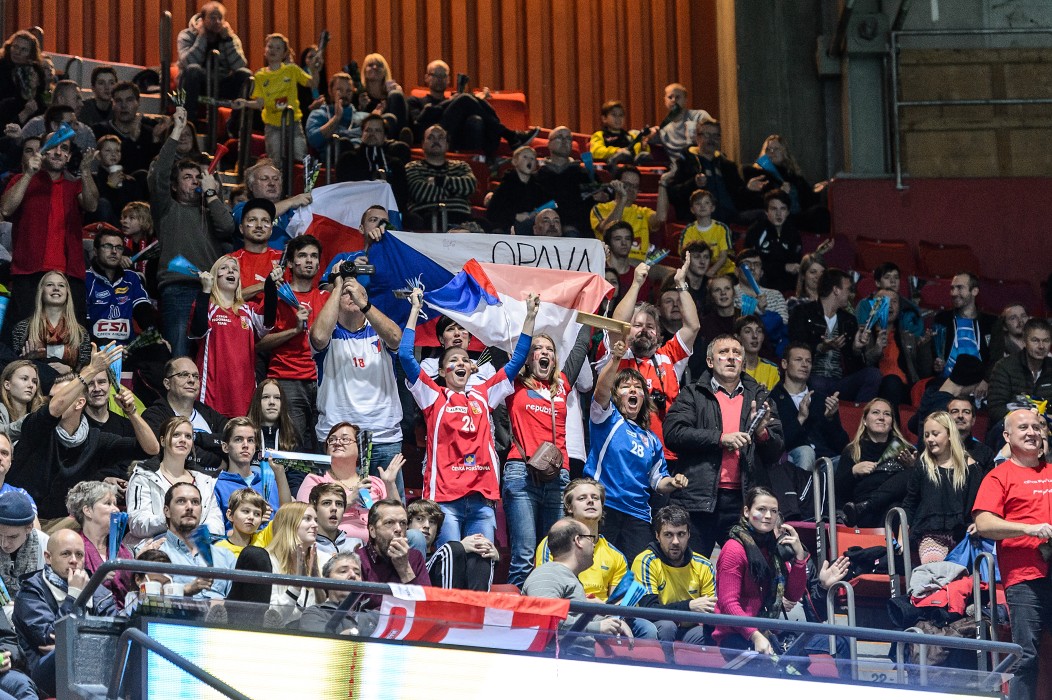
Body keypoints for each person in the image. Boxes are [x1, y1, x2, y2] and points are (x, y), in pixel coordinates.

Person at [400, 288, 538, 548]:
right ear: (441, 370)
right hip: (445, 498)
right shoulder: (433, 396)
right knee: (451, 560)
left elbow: (518, 359)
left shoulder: (484, 394)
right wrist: (414, 311)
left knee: (481, 564)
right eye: (453, 360)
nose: (461, 362)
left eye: (465, 359)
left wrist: (530, 317)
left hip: (481, 498)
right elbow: (406, 356)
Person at [664, 335, 783, 558]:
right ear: (710, 361)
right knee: (690, 568)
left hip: (743, 501)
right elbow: (673, 434)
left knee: (747, 567)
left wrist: (762, 433)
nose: (731, 358)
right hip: (697, 499)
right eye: (723, 352)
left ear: (743, 362)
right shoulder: (692, 393)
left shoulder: (760, 395)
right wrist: (720, 439)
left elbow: (776, 451)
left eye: (736, 353)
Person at [9, 346, 158, 522]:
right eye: (51, 397)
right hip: (22, 519)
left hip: (66, 525)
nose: (53, 402)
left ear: (80, 403)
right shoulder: (37, 426)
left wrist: (132, 412)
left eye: (60, 397)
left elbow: (151, 449)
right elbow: (55, 408)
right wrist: (92, 369)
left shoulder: (97, 440)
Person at [501, 328, 591, 588]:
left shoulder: (562, 383)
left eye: (549, 350)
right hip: (521, 473)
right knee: (524, 555)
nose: (544, 353)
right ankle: (518, 622)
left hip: (558, 475)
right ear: (527, 359)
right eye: (537, 349)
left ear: (554, 359)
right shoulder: (514, 383)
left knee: (557, 555)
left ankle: (550, 615)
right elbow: (515, 351)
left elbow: (580, 345)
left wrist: (589, 306)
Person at [973, 409, 1052, 700]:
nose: (1032, 432)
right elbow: (984, 524)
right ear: (1007, 436)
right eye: (1023, 428)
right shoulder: (998, 476)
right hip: (1025, 578)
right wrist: (1028, 529)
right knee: (1026, 656)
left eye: (1036, 426)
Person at [586, 339, 688, 562]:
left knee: (636, 576)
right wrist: (615, 359)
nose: (633, 389)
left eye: (638, 387)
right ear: (616, 394)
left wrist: (674, 482)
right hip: (606, 508)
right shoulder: (606, 417)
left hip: (639, 515)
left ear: (644, 397)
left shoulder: (652, 440)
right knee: (599, 568)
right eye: (626, 386)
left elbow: (657, 481)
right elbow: (601, 390)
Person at [150, 106, 234, 358]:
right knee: (180, 357)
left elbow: (228, 228)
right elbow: (159, 175)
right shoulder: (166, 208)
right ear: (174, 186)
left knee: (212, 357)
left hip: (213, 291)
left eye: (199, 176)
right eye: (188, 177)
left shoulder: (210, 207)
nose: (196, 180)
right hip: (178, 290)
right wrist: (176, 130)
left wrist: (211, 195)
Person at [310, 275, 405, 486]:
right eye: (346, 293)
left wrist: (364, 303)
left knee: (390, 511)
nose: (351, 295)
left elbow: (396, 338)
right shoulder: (328, 332)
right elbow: (317, 337)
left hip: (383, 435)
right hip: (337, 437)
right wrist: (337, 286)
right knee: (337, 510)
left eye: (357, 292)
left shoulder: (379, 331)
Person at [1, 132, 97, 336]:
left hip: (69, 275)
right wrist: (28, 173)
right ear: (41, 152)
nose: (58, 152)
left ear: (69, 157)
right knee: (22, 338)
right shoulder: (20, 179)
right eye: (53, 146)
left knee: (72, 340)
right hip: (28, 272)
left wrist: (86, 172)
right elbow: (7, 209)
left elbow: (92, 204)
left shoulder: (75, 185)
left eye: (64, 149)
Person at [608, 258, 700, 459]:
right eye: (637, 325)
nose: (644, 331)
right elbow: (616, 324)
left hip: (664, 454)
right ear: (627, 330)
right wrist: (636, 284)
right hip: (621, 453)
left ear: (658, 335)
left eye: (650, 327)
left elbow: (692, 326)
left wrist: (681, 283)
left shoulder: (669, 356)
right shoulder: (617, 353)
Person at [13, 529, 114, 698]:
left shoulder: (101, 595)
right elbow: (50, 636)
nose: (74, 560)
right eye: (66, 554)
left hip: (96, 675)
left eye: (79, 555)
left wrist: (69, 647)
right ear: (48, 557)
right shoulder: (30, 593)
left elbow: (114, 640)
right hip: (47, 678)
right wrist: (74, 595)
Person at [712, 488, 809, 658]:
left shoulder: (773, 548)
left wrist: (800, 557)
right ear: (747, 511)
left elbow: (793, 595)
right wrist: (754, 634)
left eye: (773, 511)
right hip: (736, 637)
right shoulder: (733, 549)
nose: (769, 516)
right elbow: (728, 603)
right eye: (761, 509)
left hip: (767, 632)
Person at [258, 236, 327, 451]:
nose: (309, 261)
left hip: (322, 381)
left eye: (314, 256)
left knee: (321, 448)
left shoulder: (326, 298)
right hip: (286, 380)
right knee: (291, 449)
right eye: (303, 256)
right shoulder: (276, 297)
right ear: (290, 263)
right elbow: (259, 344)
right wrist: (295, 330)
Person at [188, 254, 276, 417]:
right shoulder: (207, 306)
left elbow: (268, 321)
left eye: (235, 269)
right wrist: (205, 291)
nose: (231, 271)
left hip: (243, 394)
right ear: (215, 276)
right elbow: (198, 331)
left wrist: (270, 285)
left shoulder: (248, 310)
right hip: (212, 392)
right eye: (224, 268)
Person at [521, 518, 633, 641]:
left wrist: (613, 622)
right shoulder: (547, 574)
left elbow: (575, 617)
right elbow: (547, 619)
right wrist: (597, 627)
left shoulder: (567, 577)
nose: (594, 544)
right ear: (578, 540)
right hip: (558, 658)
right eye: (590, 538)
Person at [409, 59, 538, 158]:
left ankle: (489, 156)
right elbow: (418, 125)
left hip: (460, 137)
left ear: (448, 79)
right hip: (434, 137)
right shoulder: (415, 100)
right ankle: (511, 136)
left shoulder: (455, 102)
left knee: (475, 117)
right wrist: (450, 103)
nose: (440, 79)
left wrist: (467, 101)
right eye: (435, 75)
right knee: (465, 98)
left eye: (444, 76)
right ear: (427, 78)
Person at [295, 422, 401, 543]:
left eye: (345, 439)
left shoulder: (375, 482)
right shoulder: (316, 479)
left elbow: (398, 517)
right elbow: (303, 518)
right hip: (334, 545)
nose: (337, 442)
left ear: (360, 448)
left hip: (378, 546)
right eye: (332, 440)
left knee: (414, 536)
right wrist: (349, 500)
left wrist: (390, 484)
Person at [126, 416, 225, 545]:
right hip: (156, 548)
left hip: (196, 547)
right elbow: (137, 523)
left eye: (188, 436)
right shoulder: (144, 476)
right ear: (162, 441)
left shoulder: (205, 481)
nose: (183, 440)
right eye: (176, 435)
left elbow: (216, 524)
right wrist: (173, 520)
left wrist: (191, 532)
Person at [788, 267, 881, 402]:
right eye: (848, 289)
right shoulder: (803, 312)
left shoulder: (848, 320)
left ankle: (859, 418)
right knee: (817, 383)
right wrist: (821, 347)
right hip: (811, 376)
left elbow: (855, 366)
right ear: (836, 290)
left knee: (873, 375)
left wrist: (856, 348)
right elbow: (794, 347)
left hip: (840, 381)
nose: (850, 294)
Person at [903, 412, 983, 564]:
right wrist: (902, 535)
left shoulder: (971, 467)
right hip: (930, 534)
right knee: (936, 572)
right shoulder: (923, 465)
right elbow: (910, 502)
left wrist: (977, 523)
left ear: (950, 434)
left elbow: (979, 504)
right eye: (926, 435)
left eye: (935, 434)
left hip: (963, 537)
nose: (930, 439)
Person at [231, 33, 320, 168]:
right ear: (265, 50)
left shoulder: (291, 69)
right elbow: (260, 102)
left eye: (278, 48)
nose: (273, 50)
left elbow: (312, 83)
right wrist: (245, 103)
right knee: (275, 161)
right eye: (270, 47)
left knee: (300, 157)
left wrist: (314, 69)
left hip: (293, 122)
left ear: (284, 53)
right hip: (272, 126)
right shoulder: (260, 75)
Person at [632, 504, 716, 643]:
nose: (675, 541)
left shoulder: (704, 565)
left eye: (681, 534)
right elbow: (648, 610)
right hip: (654, 624)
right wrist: (689, 607)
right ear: (657, 536)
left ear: (689, 534)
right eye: (668, 535)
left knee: (709, 633)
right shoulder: (645, 561)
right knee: (667, 626)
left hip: (690, 628)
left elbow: (710, 612)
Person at [835, 398, 916, 528]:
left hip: (892, 511)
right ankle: (866, 506)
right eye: (876, 412)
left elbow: (918, 489)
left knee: (912, 475)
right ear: (865, 421)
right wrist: (853, 471)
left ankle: (867, 505)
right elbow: (838, 492)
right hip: (865, 517)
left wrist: (911, 466)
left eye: (887, 414)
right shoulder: (853, 450)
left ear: (892, 423)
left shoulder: (905, 450)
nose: (881, 417)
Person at [141, 357, 229, 475]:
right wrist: (216, 460)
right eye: (184, 375)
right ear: (167, 383)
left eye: (196, 376)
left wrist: (198, 438)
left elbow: (231, 439)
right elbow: (167, 452)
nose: (191, 380)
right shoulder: (154, 416)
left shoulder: (209, 414)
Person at [769, 343, 848, 473]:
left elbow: (841, 445)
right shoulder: (773, 400)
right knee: (806, 452)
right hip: (790, 464)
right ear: (784, 364)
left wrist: (830, 419)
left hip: (824, 462)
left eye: (808, 361)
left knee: (852, 462)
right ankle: (805, 493)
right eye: (798, 360)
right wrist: (800, 418)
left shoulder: (821, 399)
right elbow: (775, 445)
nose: (805, 364)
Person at [667, 117, 762, 225]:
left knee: (765, 214)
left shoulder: (728, 166)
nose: (711, 140)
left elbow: (739, 196)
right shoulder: (685, 163)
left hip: (731, 216)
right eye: (707, 135)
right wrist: (694, 183)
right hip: (700, 217)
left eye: (716, 136)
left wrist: (749, 189)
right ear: (698, 138)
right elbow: (672, 193)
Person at [157, 482, 236, 599]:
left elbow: (237, 602)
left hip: (220, 615)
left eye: (195, 502)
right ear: (167, 511)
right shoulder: (156, 553)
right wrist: (186, 590)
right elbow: (147, 597)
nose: (189, 507)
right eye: (181, 501)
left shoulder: (225, 556)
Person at [176, 1, 252, 120]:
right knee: (193, 69)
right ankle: (188, 122)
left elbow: (240, 65)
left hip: (221, 83)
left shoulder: (230, 38)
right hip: (197, 83)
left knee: (245, 74)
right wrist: (201, 37)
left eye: (220, 18)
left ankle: (236, 124)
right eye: (212, 17)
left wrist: (228, 41)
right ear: (203, 19)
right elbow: (187, 62)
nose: (217, 22)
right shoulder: (187, 35)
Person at [11, 271, 92, 382]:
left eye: (61, 285)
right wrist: (28, 361)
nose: (56, 288)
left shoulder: (81, 333)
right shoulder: (23, 328)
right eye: (50, 285)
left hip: (69, 390)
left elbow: (87, 372)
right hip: (35, 389)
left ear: (67, 293)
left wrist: (70, 370)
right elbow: (12, 369)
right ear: (41, 291)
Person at [65, 481, 135, 608]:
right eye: (108, 503)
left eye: (115, 503)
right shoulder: (74, 548)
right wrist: (96, 581)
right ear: (87, 511)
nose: (116, 509)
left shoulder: (124, 551)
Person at [742, 134, 829, 233]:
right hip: (775, 216)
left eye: (776, 149)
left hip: (796, 216)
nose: (772, 152)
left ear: (784, 152)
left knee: (820, 212)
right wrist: (779, 194)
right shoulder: (756, 174)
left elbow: (807, 201)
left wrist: (816, 191)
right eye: (768, 150)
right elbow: (753, 202)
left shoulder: (794, 176)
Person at [85, 227, 155, 348]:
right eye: (107, 246)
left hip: (128, 347)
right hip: (95, 347)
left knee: (160, 349)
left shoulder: (131, 278)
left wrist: (156, 337)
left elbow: (143, 311)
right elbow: (81, 324)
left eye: (119, 247)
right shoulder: (86, 278)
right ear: (95, 251)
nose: (114, 251)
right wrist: (106, 346)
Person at [215, 417, 291, 527]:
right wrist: (252, 524)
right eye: (238, 439)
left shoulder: (270, 482)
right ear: (225, 447)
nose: (245, 445)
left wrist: (280, 472)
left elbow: (289, 520)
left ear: (255, 447)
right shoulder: (217, 486)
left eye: (250, 440)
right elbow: (218, 533)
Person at [407, 499, 497, 591]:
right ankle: (449, 605)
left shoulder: (441, 556)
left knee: (480, 551)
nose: (426, 525)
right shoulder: (400, 553)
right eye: (419, 519)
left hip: (460, 594)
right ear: (407, 524)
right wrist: (459, 546)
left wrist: (494, 556)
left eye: (432, 522)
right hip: (419, 590)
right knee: (452, 548)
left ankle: (477, 605)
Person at [931, 273, 997, 395]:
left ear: (975, 291)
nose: (954, 293)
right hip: (946, 382)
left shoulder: (991, 323)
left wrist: (986, 380)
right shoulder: (942, 319)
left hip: (979, 384)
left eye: (960, 288)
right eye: (952, 288)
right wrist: (937, 364)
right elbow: (934, 356)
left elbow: (997, 357)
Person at [590, 164, 673, 261]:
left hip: (640, 265)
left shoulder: (643, 212)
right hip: (612, 263)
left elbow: (661, 218)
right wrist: (623, 199)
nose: (631, 189)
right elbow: (609, 229)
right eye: (627, 185)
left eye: (635, 186)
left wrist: (662, 182)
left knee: (671, 273)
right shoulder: (600, 208)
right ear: (617, 184)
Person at [404, 124, 477, 230]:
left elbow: (469, 186)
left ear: (447, 144)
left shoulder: (461, 166)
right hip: (426, 218)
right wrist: (455, 192)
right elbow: (420, 192)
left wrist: (439, 181)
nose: (436, 141)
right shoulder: (413, 167)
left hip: (462, 220)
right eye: (431, 137)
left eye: (440, 137)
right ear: (423, 144)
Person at [230, 159, 313, 251]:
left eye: (276, 179)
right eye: (265, 179)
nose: (272, 183)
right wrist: (291, 202)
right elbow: (258, 215)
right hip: (254, 263)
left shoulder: (292, 211)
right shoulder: (242, 208)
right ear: (251, 186)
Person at [266, 502, 329, 623]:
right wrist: (296, 586)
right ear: (289, 524)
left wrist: (316, 579)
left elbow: (328, 613)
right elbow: (272, 618)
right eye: (307, 519)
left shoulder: (324, 560)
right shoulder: (268, 559)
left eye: (315, 520)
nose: (315, 525)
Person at [333, 114, 410, 212]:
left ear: (385, 136)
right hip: (354, 212)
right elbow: (343, 193)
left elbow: (402, 198)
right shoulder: (348, 159)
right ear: (362, 134)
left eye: (377, 131)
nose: (372, 134)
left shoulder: (395, 164)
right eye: (368, 130)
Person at [359, 499, 429, 604]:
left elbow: (426, 608)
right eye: (389, 522)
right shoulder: (358, 559)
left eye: (403, 523)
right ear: (372, 531)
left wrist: (405, 569)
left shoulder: (415, 558)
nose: (398, 529)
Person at [92, 82, 170, 174]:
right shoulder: (100, 131)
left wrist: (156, 139)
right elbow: (108, 165)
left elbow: (156, 170)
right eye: (118, 101)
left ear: (138, 102)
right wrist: (131, 139)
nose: (124, 105)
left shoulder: (149, 132)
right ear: (112, 104)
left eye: (129, 100)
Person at [247, 379, 311, 491]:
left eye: (277, 398)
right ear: (257, 402)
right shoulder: (246, 436)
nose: (272, 402)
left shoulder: (292, 438)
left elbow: (296, 478)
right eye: (265, 397)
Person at [987, 318, 1052, 427]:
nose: (1041, 346)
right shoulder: (1005, 366)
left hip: (1047, 429)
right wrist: (1032, 419)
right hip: (1010, 429)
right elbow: (996, 409)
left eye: (1046, 341)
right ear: (1024, 341)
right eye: (1035, 340)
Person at [296, 551, 377, 635]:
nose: (353, 575)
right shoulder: (314, 613)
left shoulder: (375, 616)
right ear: (328, 581)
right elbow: (323, 645)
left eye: (357, 573)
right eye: (343, 571)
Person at [534, 126, 594, 236]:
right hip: (544, 227)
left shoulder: (584, 174)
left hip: (577, 227)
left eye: (568, 138)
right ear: (549, 144)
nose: (564, 141)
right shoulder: (537, 175)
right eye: (560, 137)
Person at [743, 190, 802, 293]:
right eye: (774, 209)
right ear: (766, 211)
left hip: (787, 281)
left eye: (782, 209)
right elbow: (748, 263)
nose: (778, 214)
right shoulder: (755, 231)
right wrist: (783, 267)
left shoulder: (793, 233)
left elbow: (796, 261)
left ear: (788, 212)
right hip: (763, 280)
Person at [486, 146, 551, 234]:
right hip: (507, 227)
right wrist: (515, 216)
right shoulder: (506, 185)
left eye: (532, 158)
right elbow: (493, 212)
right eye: (525, 157)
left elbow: (549, 204)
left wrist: (535, 213)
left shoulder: (537, 187)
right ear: (515, 161)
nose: (529, 161)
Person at [228, 198, 283, 300]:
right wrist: (263, 285)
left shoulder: (284, 259)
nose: (259, 226)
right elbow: (225, 298)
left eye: (265, 221)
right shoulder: (230, 261)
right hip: (240, 315)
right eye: (252, 220)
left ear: (271, 230)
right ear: (241, 228)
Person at [854, 262, 924, 338]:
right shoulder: (865, 305)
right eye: (887, 277)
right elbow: (862, 334)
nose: (893, 281)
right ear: (877, 283)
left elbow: (916, 339)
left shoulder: (911, 309)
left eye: (896, 277)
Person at [351, 53, 410, 140]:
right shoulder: (360, 95)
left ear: (385, 71)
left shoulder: (392, 94)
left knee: (396, 95)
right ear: (364, 71)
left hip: (395, 134)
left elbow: (408, 121)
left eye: (379, 65)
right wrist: (363, 108)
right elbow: (354, 122)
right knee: (387, 118)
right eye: (370, 65)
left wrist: (402, 97)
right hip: (372, 134)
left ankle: (400, 141)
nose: (375, 67)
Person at [91, 135, 148, 225]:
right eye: (108, 150)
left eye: (117, 151)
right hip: (109, 226)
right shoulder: (94, 178)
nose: (113, 154)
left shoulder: (128, 180)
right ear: (98, 155)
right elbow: (98, 207)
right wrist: (110, 185)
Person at [677, 189, 734, 277]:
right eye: (698, 203)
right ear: (692, 209)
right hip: (698, 272)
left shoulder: (722, 228)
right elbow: (684, 256)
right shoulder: (688, 230)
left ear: (713, 208)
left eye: (706, 203)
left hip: (724, 271)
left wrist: (710, 273)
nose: (702, 206)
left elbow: (723, 256)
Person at [650, 83, 712, 164]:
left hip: (703, 163)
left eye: (678, 97)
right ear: (665, 100)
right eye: (670, 97)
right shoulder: (663, 131)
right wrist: (649, 136)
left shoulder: (699, 116)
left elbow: (714, 134)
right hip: (679, 172)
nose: (673, 100)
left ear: (686, 99)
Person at [0, 490, 45, 598]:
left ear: (29, 527)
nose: (4, 543)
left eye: (12, 537)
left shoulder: (45, 545)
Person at [306, 72, 365, 153]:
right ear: (330, 91)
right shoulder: (318, 114)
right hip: (331, 161)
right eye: (339, 90)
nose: (344, 94)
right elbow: (314, 140)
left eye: (349, 91)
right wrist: (336, 118)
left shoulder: (363, 117)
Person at [733, 249, 790, 325]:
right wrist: (758, 310)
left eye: (756, 264)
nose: (752, 268)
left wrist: (763, 311)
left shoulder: (776, 296)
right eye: (746, 264)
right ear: (737, 272)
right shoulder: (730, 294)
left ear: (761, 273)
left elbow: (782, 325)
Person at [604, 222, 653, 306]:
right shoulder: (599, 271)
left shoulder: (639, 275)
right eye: (618, 239)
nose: (624, 243)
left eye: (627, 239)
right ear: (608, 243)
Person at [589, 100, 649, 166]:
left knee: (645, 155)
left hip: (632, 166)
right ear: (604, 118)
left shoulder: (631, 136)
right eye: (614, 115)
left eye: (621, 115)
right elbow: (596, 152)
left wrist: (643, 147)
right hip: (612, 168)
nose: (618, 118)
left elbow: (639, 155)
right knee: (623, 154)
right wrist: (616, 151)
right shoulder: (599, 135)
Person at [309, 484, 360, 554]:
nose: (334, 508)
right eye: (326, 503)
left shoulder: (358, 544)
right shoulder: (306, 547)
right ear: (314, 508)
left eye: (339, 504)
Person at [216, 487, 268, 557]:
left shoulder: (264, 538)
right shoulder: (219, 550)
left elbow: (285, 516)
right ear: (230, 515)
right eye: (246, 511)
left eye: (257, 514)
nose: (251, 517)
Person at [0, 361, 44, 442]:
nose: (31, 385)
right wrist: (31, 420)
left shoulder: (38, 413)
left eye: (34, 381)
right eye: (24, 379)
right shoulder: (1, 410)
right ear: (7, 385)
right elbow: (2, 434)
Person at [735, 315, 780, 391]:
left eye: (759, 331)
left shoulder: (771, 369)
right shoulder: (730, 368)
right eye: (748, 331)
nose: (755, 336)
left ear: (763, 337)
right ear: (737, 337)